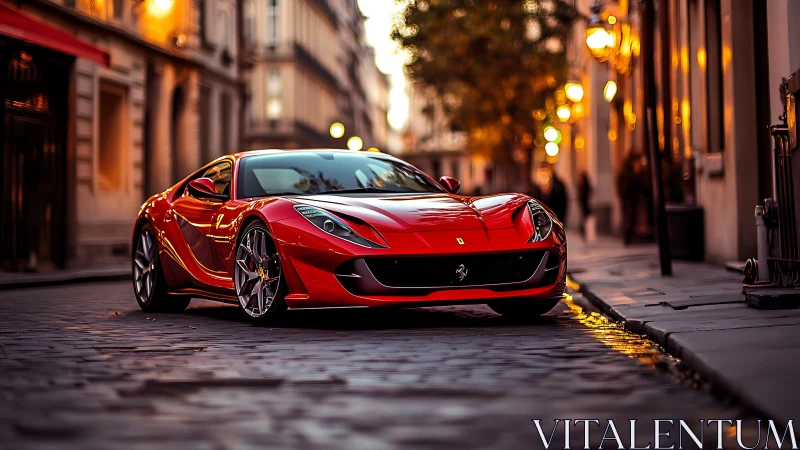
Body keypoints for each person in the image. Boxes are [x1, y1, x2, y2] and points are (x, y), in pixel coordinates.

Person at [578, 172, 593, 241]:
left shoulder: (583, 187)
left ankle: (585, 232)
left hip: (585, 205)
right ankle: (584, 232)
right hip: (585, 205)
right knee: (585, 220)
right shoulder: (583, 186)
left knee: (585, 220)